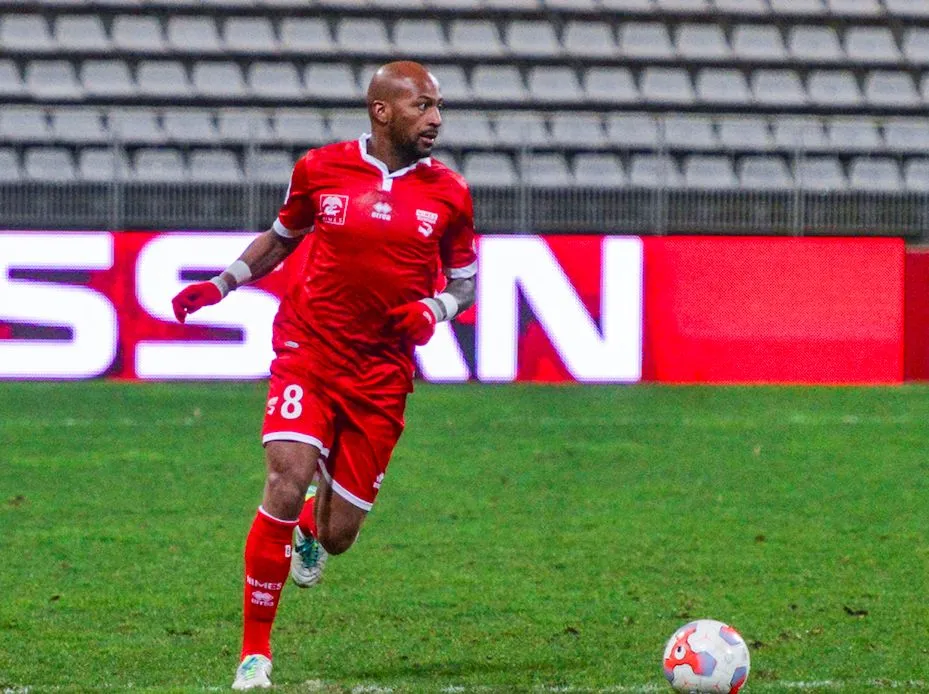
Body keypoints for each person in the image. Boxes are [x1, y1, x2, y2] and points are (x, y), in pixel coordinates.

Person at [170, 61, 477, 690]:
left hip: (381, 374)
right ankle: (255, 654)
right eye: (422, 106)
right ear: (381, 111)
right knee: (286, 476)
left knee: (339, 536)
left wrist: (434, 308)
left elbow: (466, 283)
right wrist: (222, 283)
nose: (436, 120)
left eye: (438, 107)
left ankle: (315, 526)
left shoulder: (450, 192)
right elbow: (281, 237)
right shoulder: (320, 168)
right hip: (308, 350)